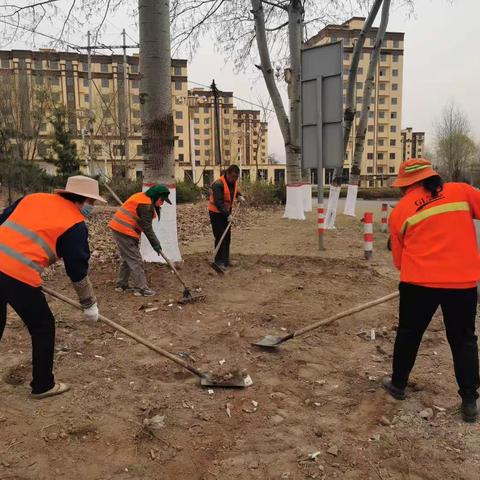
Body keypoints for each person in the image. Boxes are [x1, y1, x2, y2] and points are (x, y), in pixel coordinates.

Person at [382, 158, 480, 423]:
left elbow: (399, 261)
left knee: (409, 334)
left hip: (418, 285)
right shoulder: (461, 192)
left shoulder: (401, 211)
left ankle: (398, 385)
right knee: (464, 341)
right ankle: (470, 401)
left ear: (409, 184)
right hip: (462, 285)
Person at [0, 175, 106, 399]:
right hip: (17, 274)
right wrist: (89, 304)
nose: (92, 208)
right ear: (83, 200)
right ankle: (43, 385)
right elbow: (77, 269)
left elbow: (3, 220)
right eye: (92, 203)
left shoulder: (33, 198)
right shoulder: (74, 224)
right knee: (43, 326)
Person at [109, 184, 171, 297]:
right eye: (161, 200)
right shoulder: (146, 205)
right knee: (135, 259)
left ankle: (121, 285)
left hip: (121, 228)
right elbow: (147, 229)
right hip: (123, 230)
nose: (162, 203)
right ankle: (141, 288)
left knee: (128, 258)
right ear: (156, 196)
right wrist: (156, 245)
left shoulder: (142, 197)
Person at [208, 164, 245, 271]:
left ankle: (225, 260)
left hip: (226, 213)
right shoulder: (218, 184)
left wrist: (239, 195)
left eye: (236, 177)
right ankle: (218, 261)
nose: (234, 179)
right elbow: (219, 203)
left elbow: (234, 191)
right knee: (220, 237)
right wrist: (227, 215)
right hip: (216, 214)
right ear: (227, 173)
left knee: (227, 238)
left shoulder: (233, 182)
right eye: (233, 176)